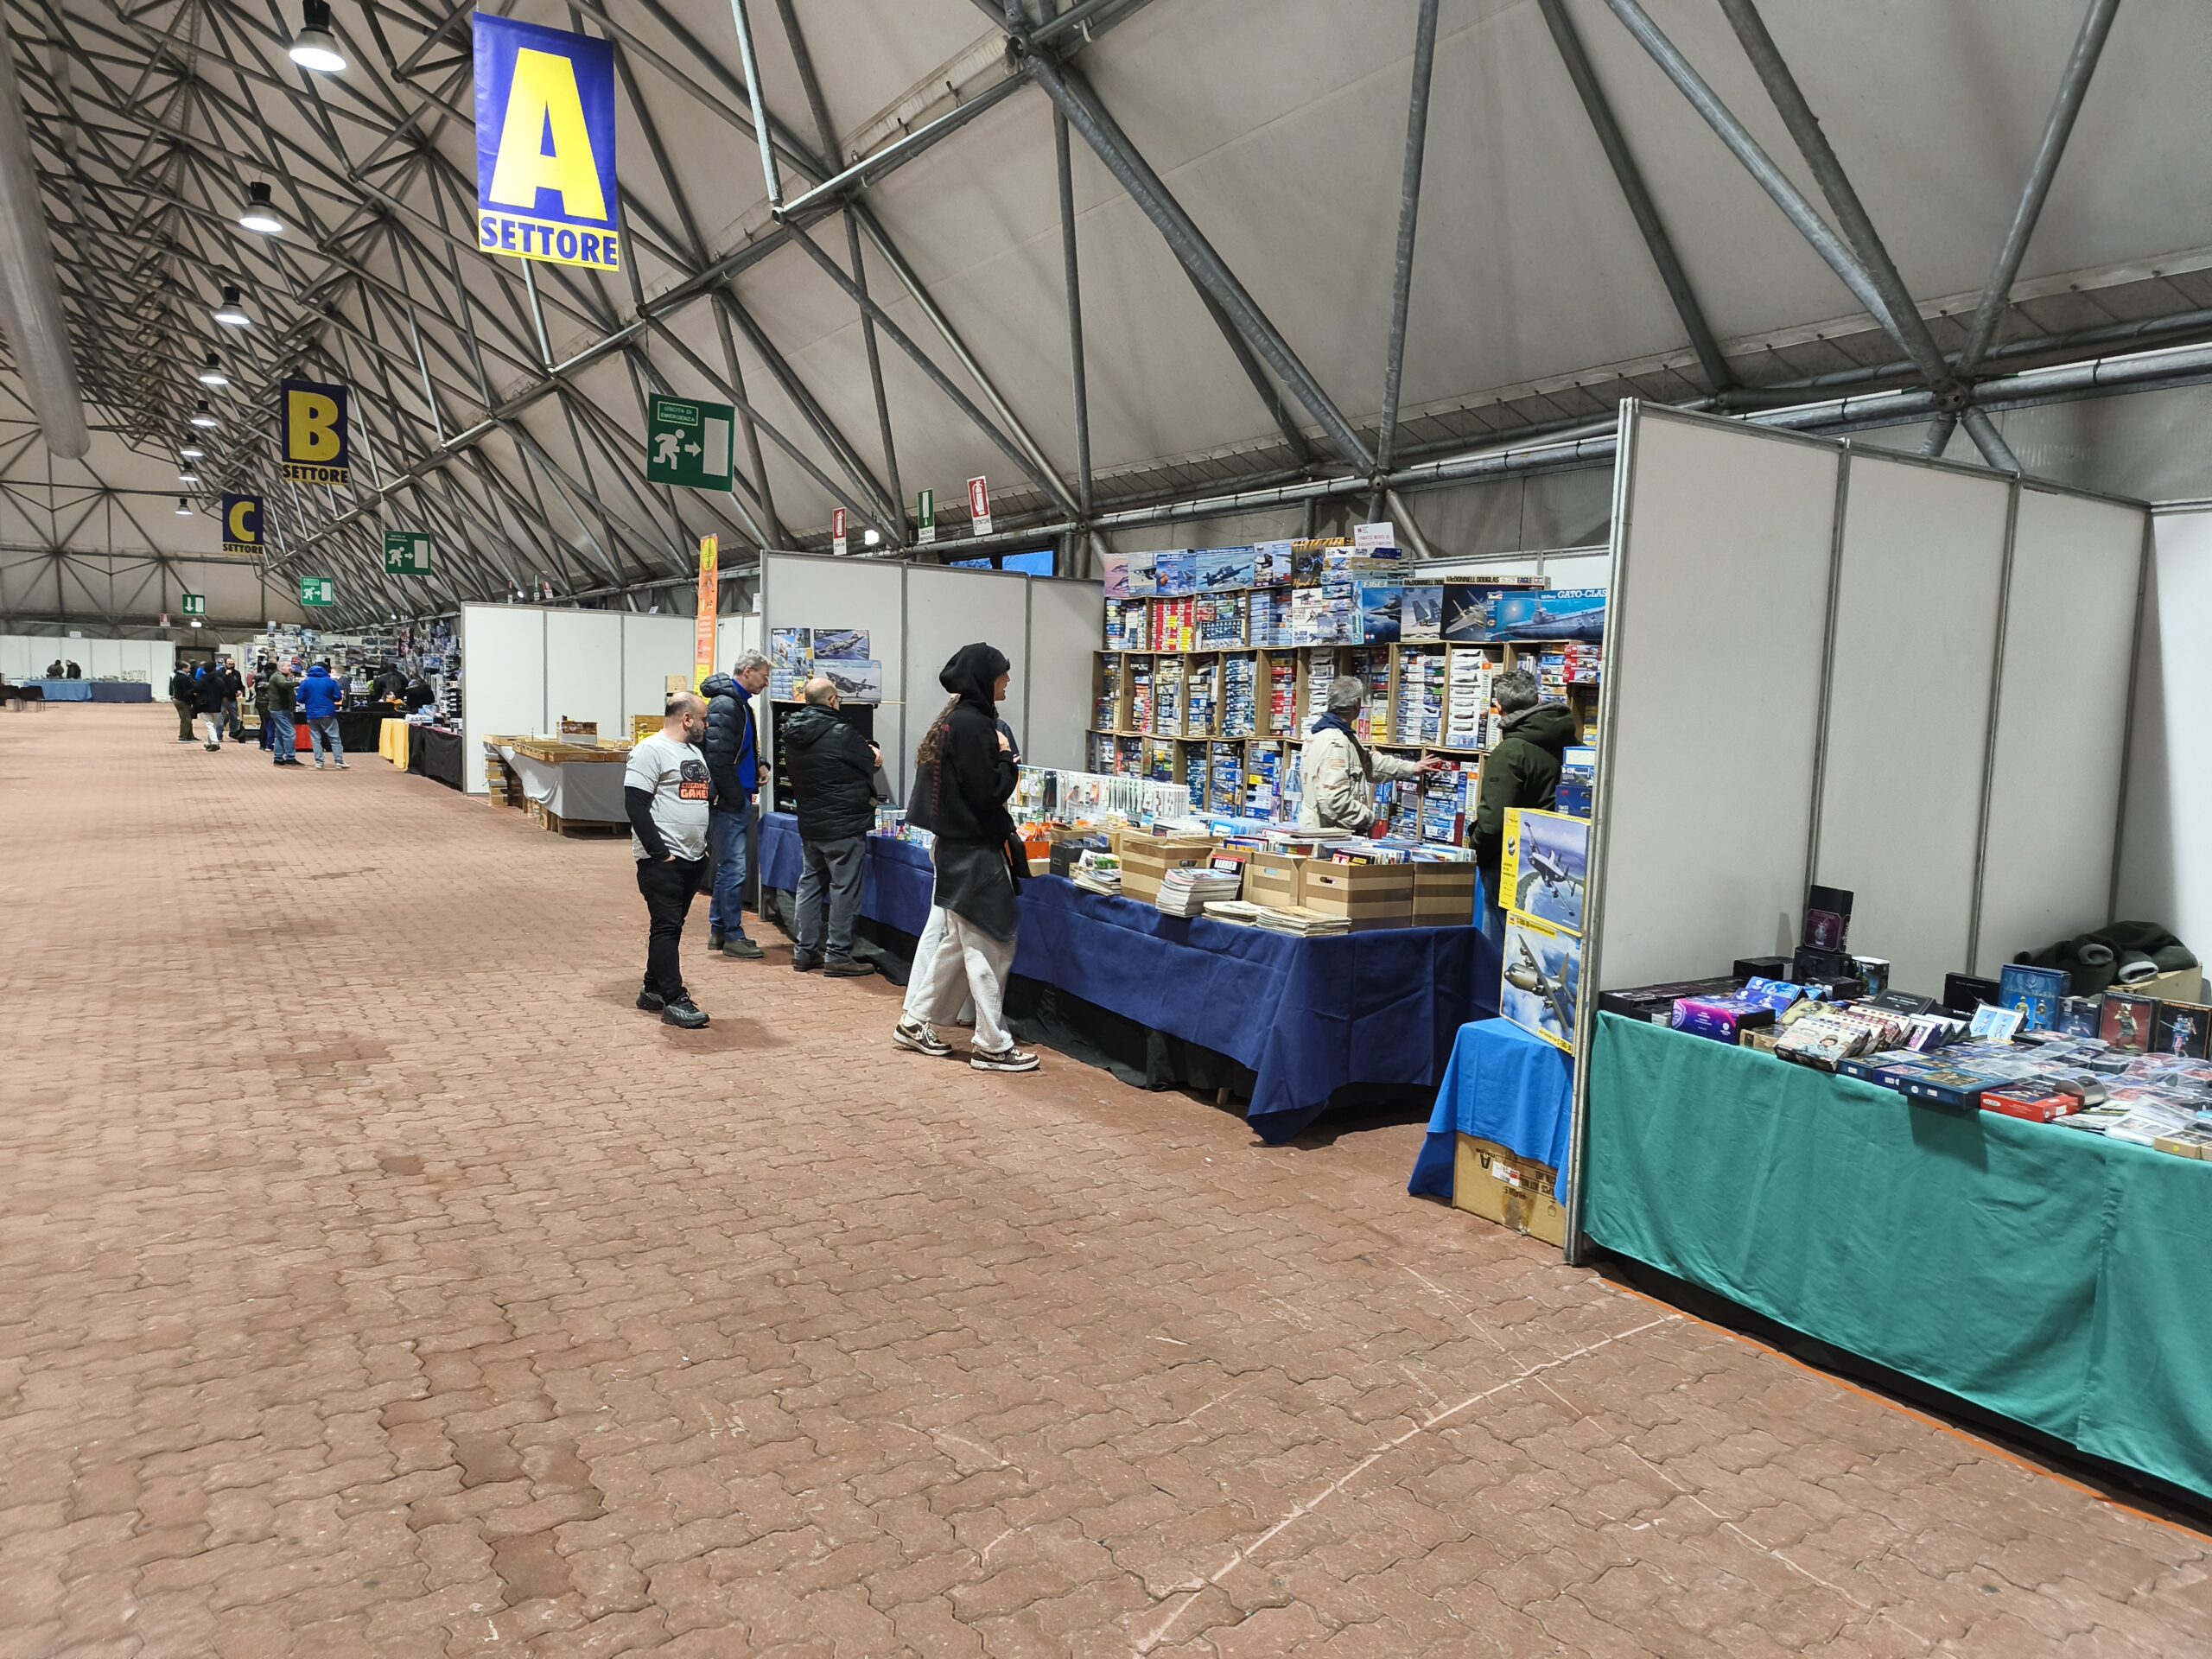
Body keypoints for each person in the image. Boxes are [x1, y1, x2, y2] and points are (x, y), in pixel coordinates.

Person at [893, 644, 1039, 1073]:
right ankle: (992, 1043)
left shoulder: (956, 721)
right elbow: (989, 792)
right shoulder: (975, 726)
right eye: (1002, 674)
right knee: (989, 945)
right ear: (984, 678)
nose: (1007, 680)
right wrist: (1008, 759)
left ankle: (914, 1021)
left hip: (958, 848)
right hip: (973, 851)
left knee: (960, 943)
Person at [784, 676, 887, 978]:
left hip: (810, 821)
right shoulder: (841, 731)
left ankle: (804, 951)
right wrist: (873, 751)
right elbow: (870, 761)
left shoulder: (792, 732)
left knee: (810, 884)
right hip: (844, 823)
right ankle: (838, 954)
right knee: (844, 888)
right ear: (832, 700)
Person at [625, 692, 715, 1029]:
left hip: (693, 856)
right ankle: (675, 999)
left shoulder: (693, 752)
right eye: (704, 718)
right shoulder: (649, 750)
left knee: (672, 925)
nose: (708, 724)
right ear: (687, 719)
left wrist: (702, 848)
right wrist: (659, 853)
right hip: (662, 860)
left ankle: (652, 989)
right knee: (666, 926)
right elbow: (635, 805)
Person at [1472, 668, 1580, 945]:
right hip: (1564, 853)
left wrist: (1477, 845)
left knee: (1498, 940)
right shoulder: (1572, 744)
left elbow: (1493, 822)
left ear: (1499, 708)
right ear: (1538, 699)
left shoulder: (1511, 751)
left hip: (1508, 859)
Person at [1298, 675, 1444, 835]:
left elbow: (1369, 763)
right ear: (1357, 703)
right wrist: (1368, 818)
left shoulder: (1330, 735)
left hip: (1324, 830)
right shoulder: (1335, 742)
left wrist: (1412, 767)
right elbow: (1334, 801)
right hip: (1329, 833)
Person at [699, 651, 772, 960]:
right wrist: (731, 796)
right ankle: (731, 934)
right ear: (748, 671)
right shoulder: (727, 704)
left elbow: (741, 747)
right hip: (730, 800)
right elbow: (717, 758)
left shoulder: (739, 704)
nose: (766, 683)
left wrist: (760, 764)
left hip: (736, 796)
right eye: (764, 676)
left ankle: (721, 930)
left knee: (729, 867)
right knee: (734, 869)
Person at [296, 660, 347, 769]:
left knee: (316, 739)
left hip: (312, 714)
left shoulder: (306, 682)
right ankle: (339, 761)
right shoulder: (331, 681)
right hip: (328, 713)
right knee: (334, 738)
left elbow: (300, 699)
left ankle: (319, 762)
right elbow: (338, 697)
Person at [264, 660, 301, 767]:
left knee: (279, 734)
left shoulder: (280, 676)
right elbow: (283, 684)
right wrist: (298, 682)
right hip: (280, 710)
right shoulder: (278, 677)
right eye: (288, 666)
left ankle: (278, 757)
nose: (291, 667)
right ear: (281, 668)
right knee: (290, 733)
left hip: (281, 709)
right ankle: (290, 757)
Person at [191, 660, 227, 750]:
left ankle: (215, 743)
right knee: (213, 725)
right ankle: (207, 743)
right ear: (215, 669)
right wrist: (226, 708)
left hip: (204, 705)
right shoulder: (220, 680)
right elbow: (224, 695)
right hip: (217, 706)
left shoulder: (202, 680)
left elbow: (195, 691)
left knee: (209, 724)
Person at [168, 663, 197, 742]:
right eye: (188, 668)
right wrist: (193, 693)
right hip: (182, 700)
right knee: (186, 719)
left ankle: (190, 735)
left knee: (187, 718)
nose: (190, 670)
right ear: (184, 668)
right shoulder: (183, 678)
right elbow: (186, 690)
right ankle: (183, 736)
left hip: (179, 699)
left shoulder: (178, 676)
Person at [219, 658, 245, 741]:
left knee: (234, 716)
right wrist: (226, 675)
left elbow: (240, 685)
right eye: (229, 664)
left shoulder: (237, 673)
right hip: (222, 697)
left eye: (233, 664)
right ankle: (219, 734)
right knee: (221, 715)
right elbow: (219, 683)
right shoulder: (220, 672)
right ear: (225, 664)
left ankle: (233, 733)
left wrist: (240, 691)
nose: (231, 666)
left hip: (232, 697)